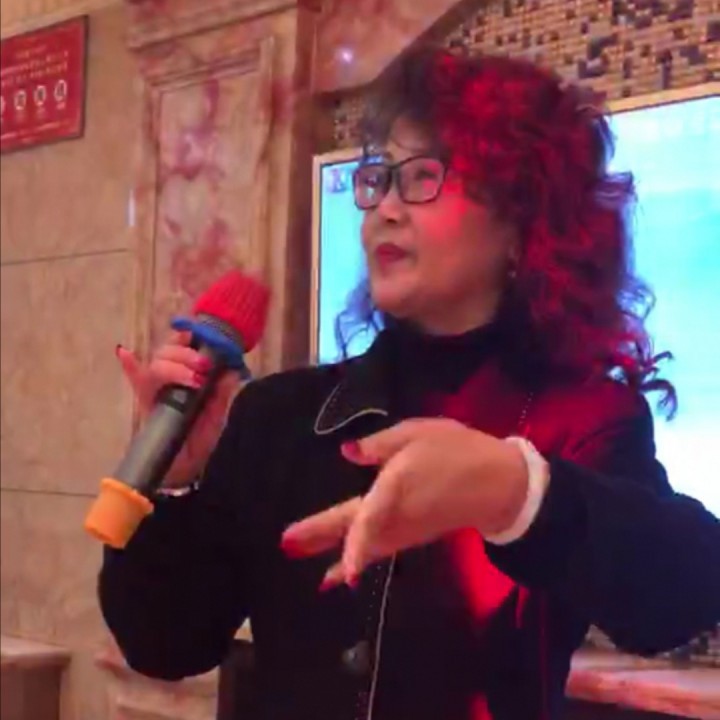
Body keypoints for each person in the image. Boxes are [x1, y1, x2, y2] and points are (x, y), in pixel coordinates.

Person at [99, 47, 720, 720]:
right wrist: (173, 479)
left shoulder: (587, 416)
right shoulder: (280, 414)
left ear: (521, 221)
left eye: (423, 176)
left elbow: (677, 601)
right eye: (377, 180)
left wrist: (516, 492)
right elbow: (164, 642)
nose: (384, 210)